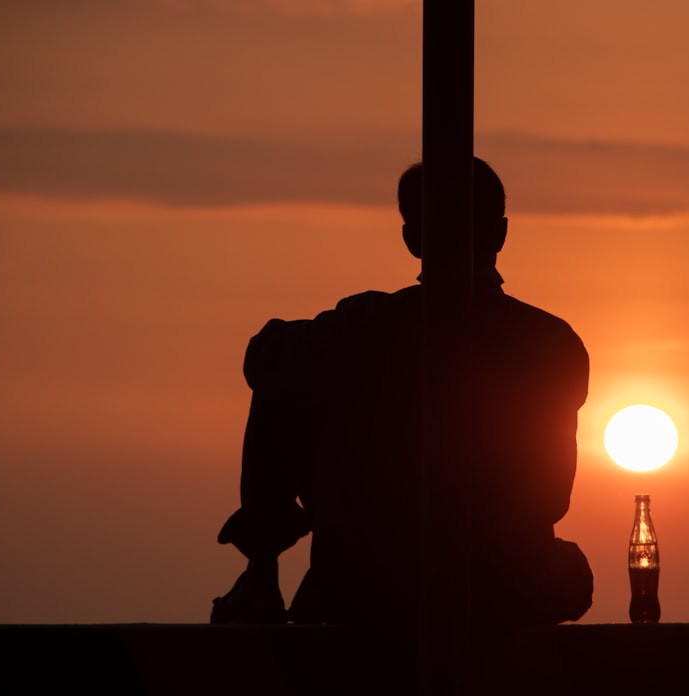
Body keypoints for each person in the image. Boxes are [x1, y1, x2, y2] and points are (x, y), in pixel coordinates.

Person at [212, 158, 592, 627]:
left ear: (412, 238)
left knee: (283, 368)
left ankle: (261, 573)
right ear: (500, 233)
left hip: (361, 580)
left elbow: (261, 358)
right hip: (501, 581)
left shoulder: (357, 327)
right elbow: (551, 498)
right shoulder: (552, 343)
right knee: (571, 569)